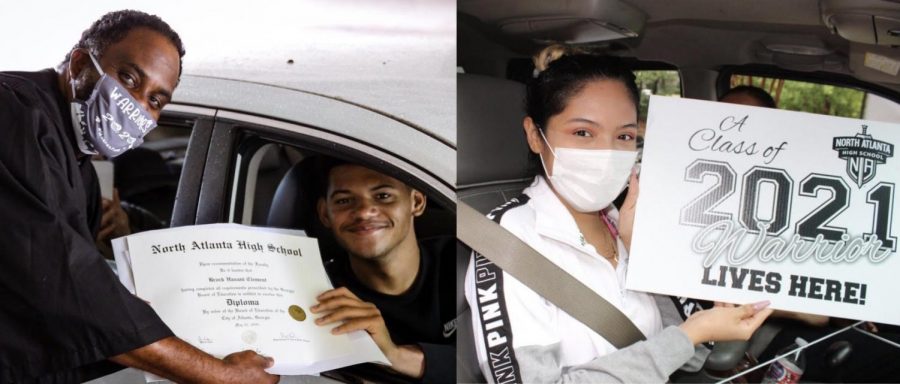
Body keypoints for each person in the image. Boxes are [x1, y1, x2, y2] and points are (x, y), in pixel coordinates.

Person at [463, 45, 774, 383]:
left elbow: (690, 357)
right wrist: (689, 335)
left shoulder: (624, 220)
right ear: (535, 136)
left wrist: (645, 256)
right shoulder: (510, 239)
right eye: (583, 133)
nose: (607, 153)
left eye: (624, 135)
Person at [0, 10, 276, 383]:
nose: (138, 104)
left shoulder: (78, 165)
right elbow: (61, 281)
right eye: (128, 78)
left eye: (156, 99)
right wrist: (220, 375)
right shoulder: (12, 112)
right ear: (80, 63)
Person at [665, 85, 900, 382]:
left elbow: (814, 304)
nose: (737, 132)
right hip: (732, 337)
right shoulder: (683, 196)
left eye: (751, 123)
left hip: (771, 321)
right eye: (726, 119)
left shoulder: (785, 200)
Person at [312, 159, 455, 383]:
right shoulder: (315, 295)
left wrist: (393, 355)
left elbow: (507, 362)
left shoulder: (467, 264)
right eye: (344, 200)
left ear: (416, 202)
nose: (364, 212)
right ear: (324, 213)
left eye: (383, 196)